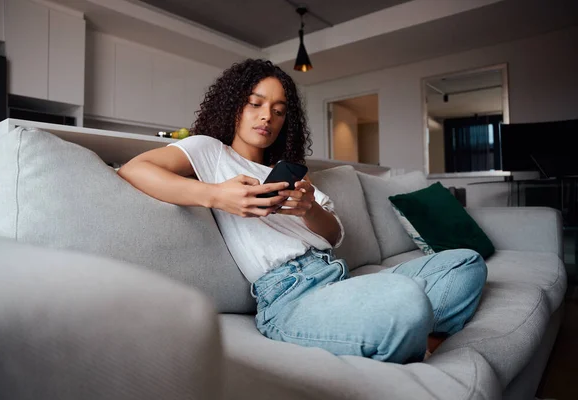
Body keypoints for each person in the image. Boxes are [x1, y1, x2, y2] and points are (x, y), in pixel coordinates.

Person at [118, 58, 487, 364]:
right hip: (289, 299)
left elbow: (334, 235)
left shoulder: (295, 174)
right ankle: (409, 329)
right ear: (234, 105)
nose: (267, 117)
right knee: (406, 301)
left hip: (335, 278)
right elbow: (134, 170)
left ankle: (417, 337)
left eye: (279, 111)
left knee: (465, 262)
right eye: (256, 104)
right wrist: (216, 196)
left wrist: (309, 208)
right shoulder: (210, 152)